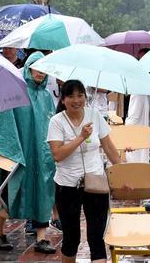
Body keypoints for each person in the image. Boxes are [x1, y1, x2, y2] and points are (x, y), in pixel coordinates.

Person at [0, 52, 57, 254]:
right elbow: (0, 117)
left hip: (41, 156)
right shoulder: (15, 91)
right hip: (17, 152)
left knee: (43, 191)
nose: (40, 72)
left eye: (44, 69)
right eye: (36, 67)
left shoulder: (47, 97)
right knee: (9, 191)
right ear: (28, 67)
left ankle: (42, 236)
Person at [47, 80, 124, 263]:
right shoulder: (56, 122)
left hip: (96, 182)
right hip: (67, 186)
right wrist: (81, 137)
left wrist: (123, 173)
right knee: (71, 238)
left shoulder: (94, 115)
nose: (76, 100)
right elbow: (57, 155)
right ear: (63, 99)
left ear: (85, 97)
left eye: (80, 95)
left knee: (97, 238)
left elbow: (109, 148)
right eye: (71, 96)